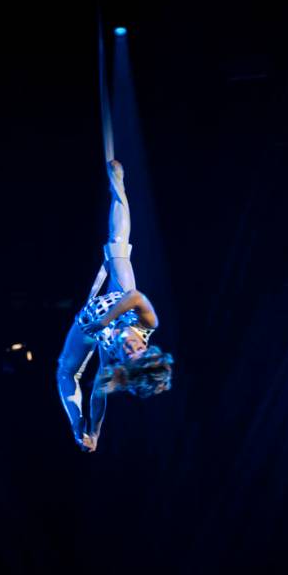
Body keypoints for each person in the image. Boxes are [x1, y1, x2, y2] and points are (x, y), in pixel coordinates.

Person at [55, 159, 173, 452]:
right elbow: (135, 299)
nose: (130, 348)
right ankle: (118, 184)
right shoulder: (148, 325)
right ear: (147, 349)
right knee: (119, 242)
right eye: (138, 349)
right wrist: (107, 320)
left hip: (88, 322)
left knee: (66, 372)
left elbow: (98, 397)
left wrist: (88, 433)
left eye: (128, 355)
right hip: (118, 299)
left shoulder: (113, 363)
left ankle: (74, 426)